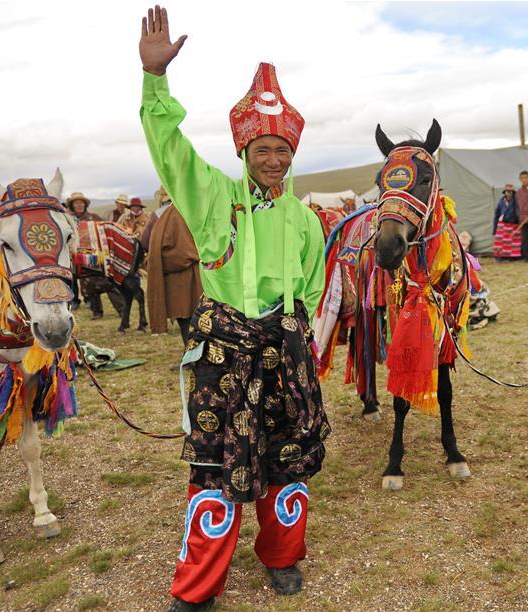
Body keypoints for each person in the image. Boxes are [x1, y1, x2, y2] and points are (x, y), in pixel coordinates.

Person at [139, 6, 329, 610]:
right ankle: (198, 588)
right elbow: (168, 148)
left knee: (287, 455)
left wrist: (300, 344)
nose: (274, 159)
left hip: (285, 347)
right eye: (263, 148)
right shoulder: (212, 195)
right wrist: (155, 80)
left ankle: (280, 555)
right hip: (224, 349)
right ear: (245, 149)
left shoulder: (305, 220)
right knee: (215, 465)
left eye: (282, 149)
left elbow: (316, 289)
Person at [145, 189, 203, 346]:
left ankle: (192, 357)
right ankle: (195, 356)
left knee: (186, 319)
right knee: (195, 317)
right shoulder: (193, 210)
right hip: (196, 273)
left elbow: (145, 242)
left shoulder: (158, 215)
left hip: (178, 278)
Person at [65, 191, 114, 320]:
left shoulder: (94, 217)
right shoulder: (69, 220)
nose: (79, 205)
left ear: (85, 204)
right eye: (76, 203)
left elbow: (105, 232)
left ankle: (121, 308)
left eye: (81, 203)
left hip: (97, 255)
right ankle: (97, 312)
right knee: (87, 284)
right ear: (72, 205)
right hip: (79, 258)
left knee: (108, 282)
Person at [492, 184, 521, 260]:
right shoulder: (501, 201)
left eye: (510, 192)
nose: (508, 193)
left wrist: (518, 221)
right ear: (504, 192)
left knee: (513, 242)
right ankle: (500, 256)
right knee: (500, 242)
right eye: (507, 191)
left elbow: (518, 212)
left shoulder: (516, 202)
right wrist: (495, 228)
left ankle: (513, 257)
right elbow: (497, 214)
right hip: (502, 224)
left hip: (513, 224)